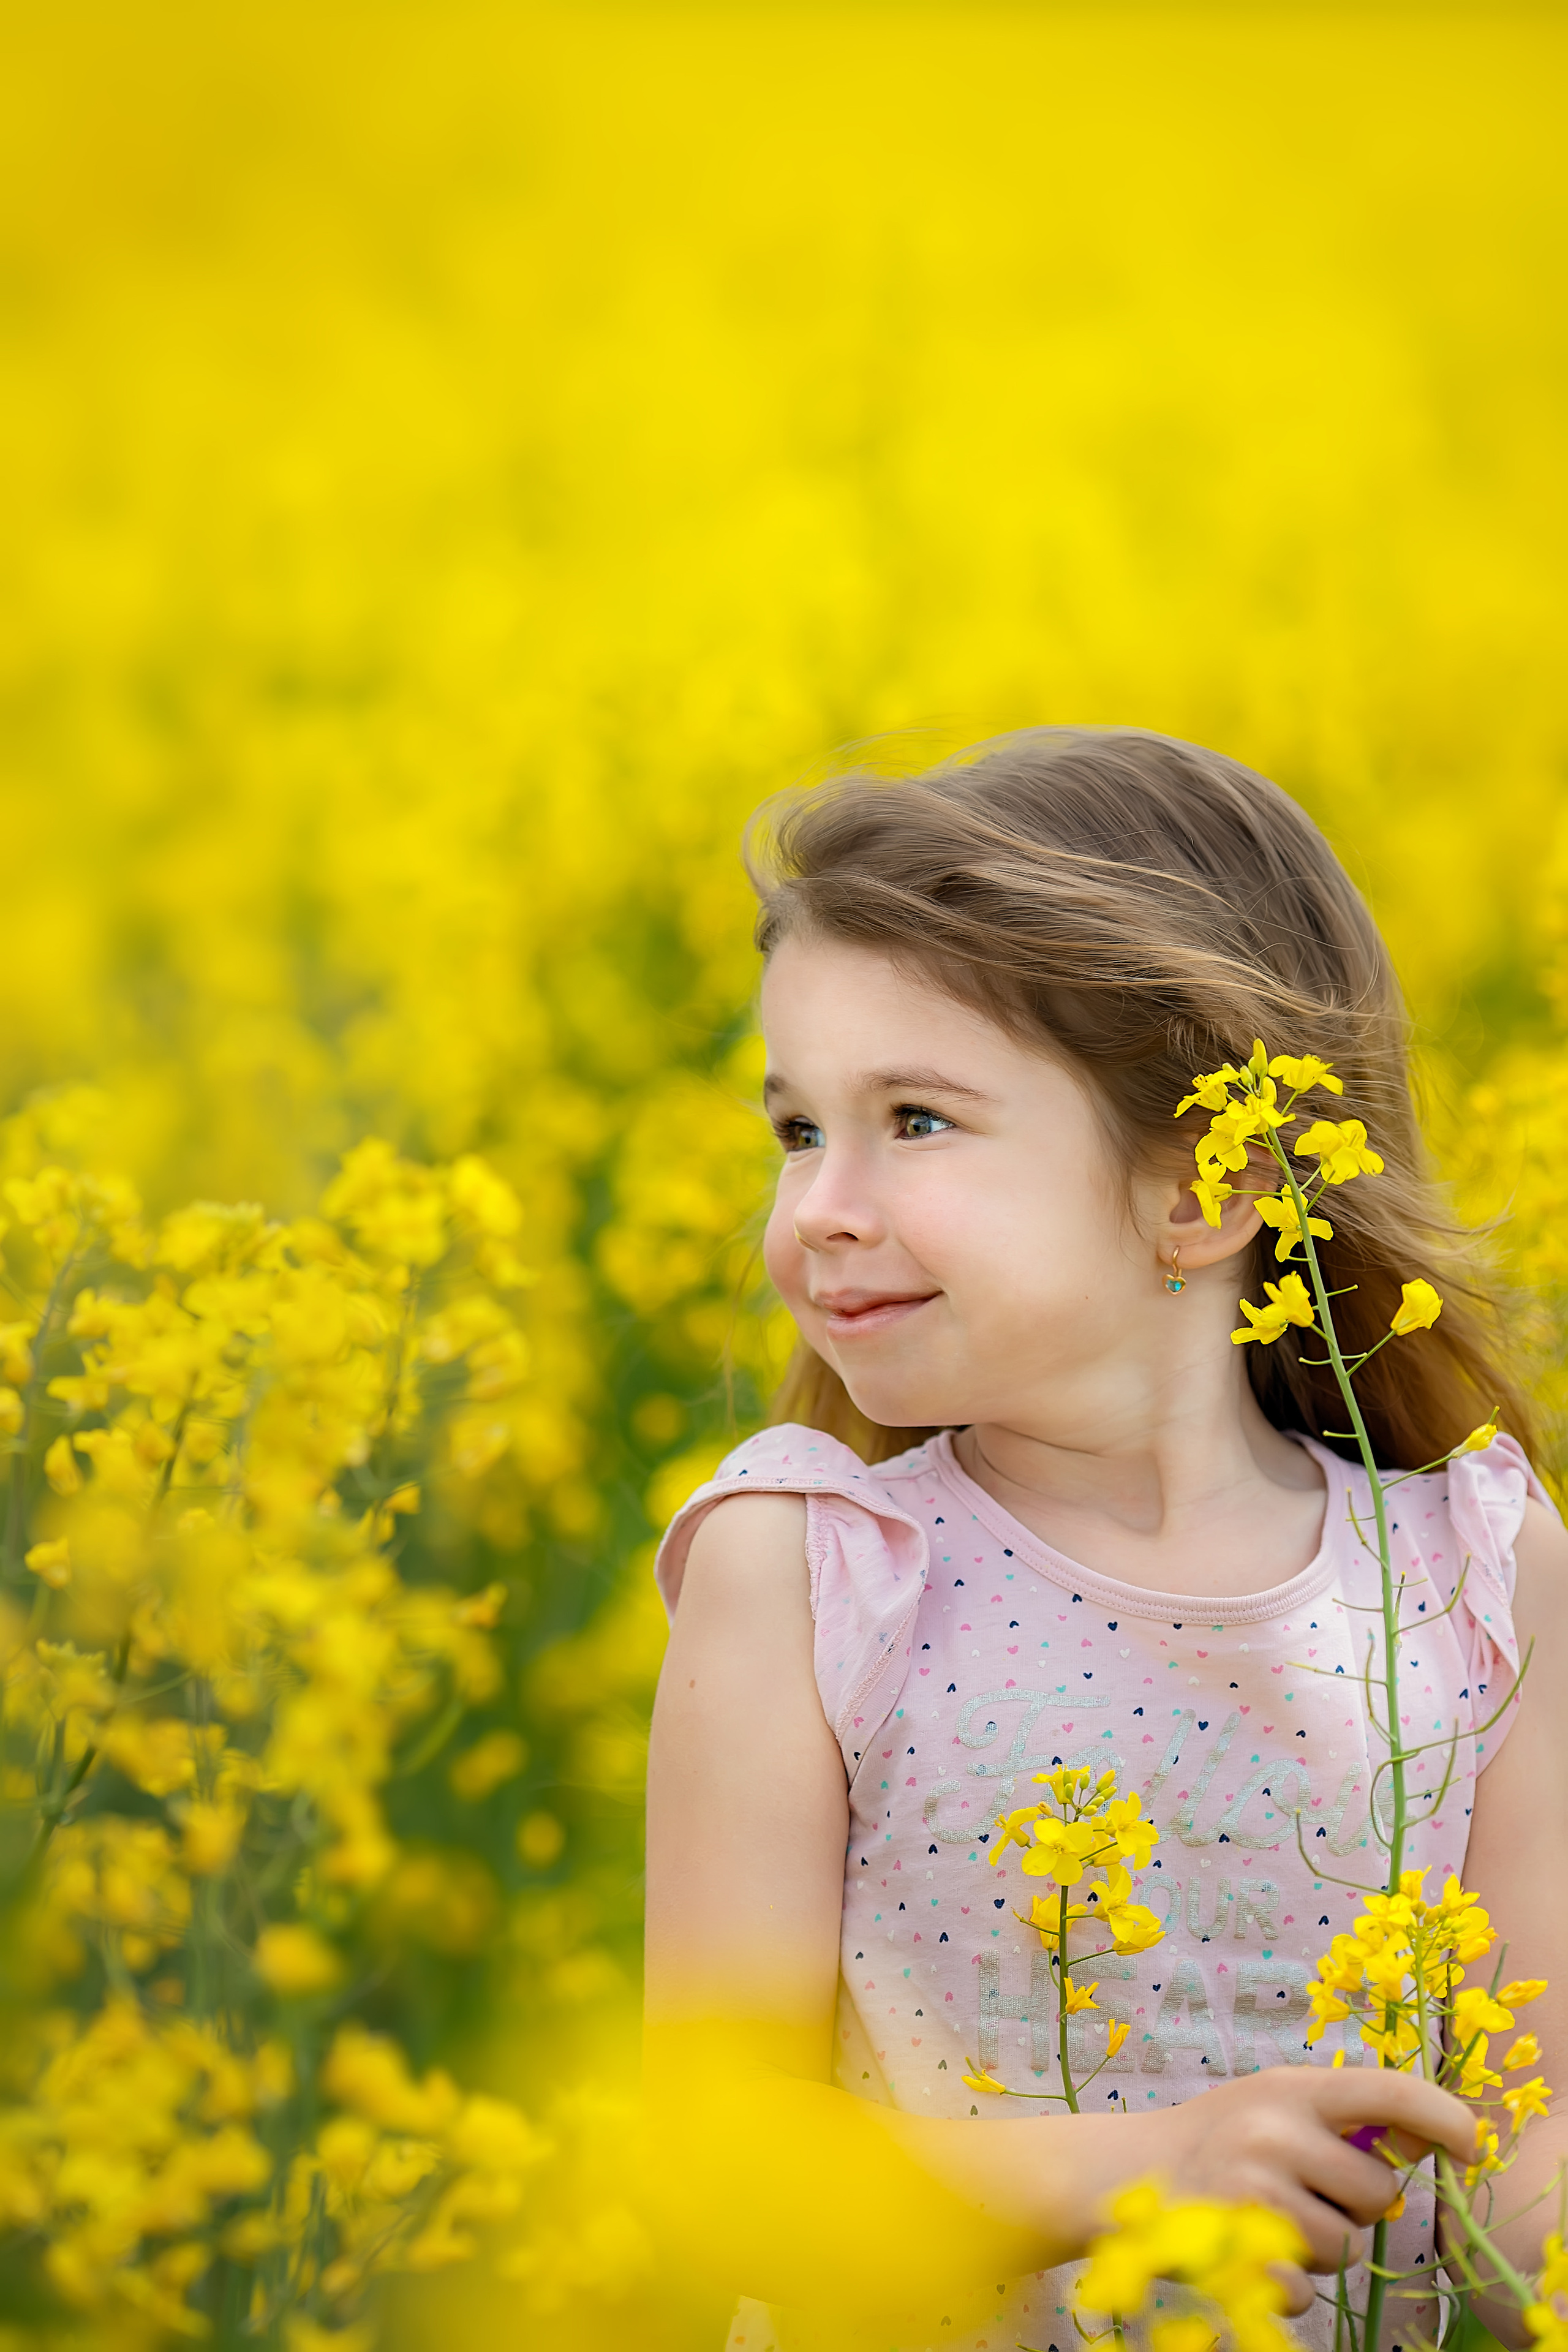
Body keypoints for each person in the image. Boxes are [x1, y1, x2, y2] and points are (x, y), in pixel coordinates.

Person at [643, 728, 1568, 2352]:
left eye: (915, 1120)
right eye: (798, 1131)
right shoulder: (808, 1570)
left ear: (1206, 1188)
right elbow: (717, 2169)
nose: (820, 1209)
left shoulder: (1481, 1571)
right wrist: (1152, 2171)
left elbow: (1523, 2146)